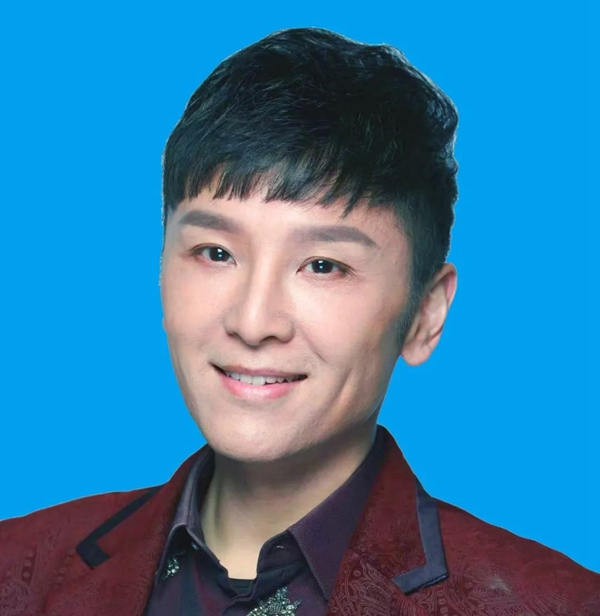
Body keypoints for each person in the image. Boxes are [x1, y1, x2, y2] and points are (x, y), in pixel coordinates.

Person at [0, 26, 597, 616]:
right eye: (216, 253)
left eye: (322, 265)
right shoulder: (17, 569)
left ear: (425, 314)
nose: (253, 321)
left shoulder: (552, 605)